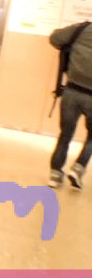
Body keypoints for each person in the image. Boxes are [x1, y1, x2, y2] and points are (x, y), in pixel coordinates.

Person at [48, 22, 92, 190]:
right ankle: (78, 168)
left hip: (72, 91)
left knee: (65, 134)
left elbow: (55, 38)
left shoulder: (82, 29)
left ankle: (55, 175)